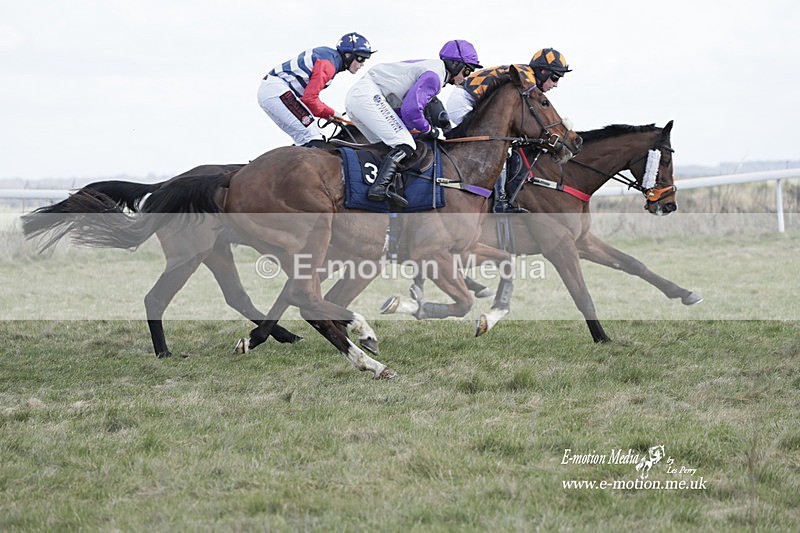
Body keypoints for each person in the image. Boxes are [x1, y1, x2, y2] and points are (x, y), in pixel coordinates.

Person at [345, 39, 482, 207]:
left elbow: (404, 114)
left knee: (387, 146)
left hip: (361, 97)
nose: (465, 78)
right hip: (368, 96)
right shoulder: (435, 77)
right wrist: (430, 130)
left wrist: (417, 129)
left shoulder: (433, 69)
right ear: (454, 64)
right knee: (405, 143)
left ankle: (381, 188)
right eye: (467, 71)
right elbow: (411, 110)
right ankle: (379, 188)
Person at [446, 48, 571, 213]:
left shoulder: (526, 74)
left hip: (470, 100)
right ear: (542, 71)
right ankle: (499, 202)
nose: (555, 84)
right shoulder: (526, 77)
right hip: (463, 102)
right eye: (554, 78)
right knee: (496, 152)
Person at [257, 32, 375, 148]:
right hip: (277, 90)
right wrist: (331, 112)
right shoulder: (328, 65)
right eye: (361, 58)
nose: (362, 64)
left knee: (303, 138)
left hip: (274, 91)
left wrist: (327, 113)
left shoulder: (329, 56)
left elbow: (307, 100)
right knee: (314, 137)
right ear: (348, 55)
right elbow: (309, 99)